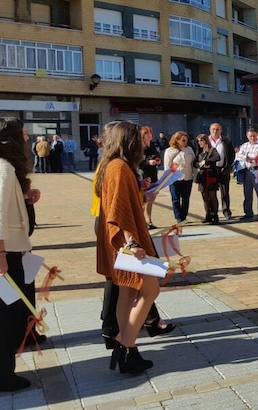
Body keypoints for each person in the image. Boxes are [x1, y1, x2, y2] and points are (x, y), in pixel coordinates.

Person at [94, 121, 160, 375]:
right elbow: (119, 211)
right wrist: (132, 243)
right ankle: (125, 343)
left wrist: (142, 195)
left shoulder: (111, 165)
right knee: (150, 288)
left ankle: (129, 353)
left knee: (127, 293)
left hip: (119, 241)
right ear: (129, 142)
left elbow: (120, 202)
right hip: (126, 242)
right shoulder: (120, 168)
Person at [0, 117, 41, 391]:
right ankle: (4, 374)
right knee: (6, 314)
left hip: (14, 250)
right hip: (9, 253)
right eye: (24, 136)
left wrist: (25, 198)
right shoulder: (3, 169)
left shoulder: (7, 169)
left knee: (11, 312)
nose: (28, 141)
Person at [163, 131, 195, 224]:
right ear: (177, 140)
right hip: (174, 178)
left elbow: (194, 162)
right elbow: (167, 166)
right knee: (176, 199)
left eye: (186, 140)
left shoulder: (189, 149)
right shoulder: (170, 150)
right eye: (183, 140)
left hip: (188, 177)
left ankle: (184, 217)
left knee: (186, 198)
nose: (185, 142)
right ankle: (178, 217)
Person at [235, 129, 258, 220]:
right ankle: (248, 213)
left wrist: (245, 155)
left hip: (256, 170)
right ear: (247, 136)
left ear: (256, 135)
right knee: (247, 193)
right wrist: (246, 156)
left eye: (254, 135)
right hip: (246, 170)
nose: (252, 138)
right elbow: (238, 156)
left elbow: (255, 156)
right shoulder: (244, 145)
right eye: (250, 136)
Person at [208, 123, 234, 221]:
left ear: (221, 130)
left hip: (223, 169)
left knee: (225, 192)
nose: (215, 131)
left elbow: (232, 154)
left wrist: (228, 167)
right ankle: (212, 212)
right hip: (210, 171)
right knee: (211, 193)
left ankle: (226, 211)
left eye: (217, 129)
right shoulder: (206, 140)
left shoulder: (226, 140)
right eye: (213, 129)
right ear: (210, 130)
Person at [194, 134, 221, 225]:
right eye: (198, 141)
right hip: (202, 177)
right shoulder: (199, 152)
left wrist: (207, 161)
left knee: (212, 196)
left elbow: (218, 157)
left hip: (211, 176)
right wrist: (199, 164)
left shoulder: (212, 150)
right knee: (205, 197)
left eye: (201, 140)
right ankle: (208, 215)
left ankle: (215, 216)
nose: (199, 142)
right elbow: (195, 163)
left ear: (205, 140)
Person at [139, 127, 161, 229]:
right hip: (144, 175)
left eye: (150, 132)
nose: (149, 135)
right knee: (143, 200)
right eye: (146, 133)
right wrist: (148, 162)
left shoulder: (152, 145)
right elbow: (138, 162)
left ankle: (149, 220)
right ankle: (142, 222)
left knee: (150, 199)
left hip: (153, 175)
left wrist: (158, 160)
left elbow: (157, 156)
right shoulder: (139, 147)